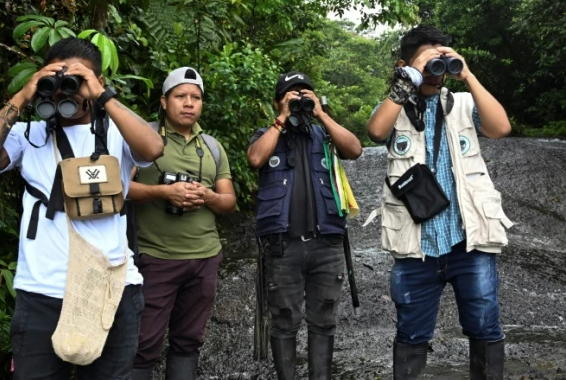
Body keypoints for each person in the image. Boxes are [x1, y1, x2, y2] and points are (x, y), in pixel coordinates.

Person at [0, 37, 164, 379]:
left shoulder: (117, 133)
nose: (63, 91)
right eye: (56, 81)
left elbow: (153, 147)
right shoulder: (30, 135)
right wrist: (23, 95)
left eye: (76, 81)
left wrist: (100, 93)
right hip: (42, 291)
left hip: (112, 289)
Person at [365, 25, 513, 379]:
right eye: (427, 60)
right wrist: (406, 82)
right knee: (412, 333)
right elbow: (375, 131)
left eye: (442, 59)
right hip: (417, 247)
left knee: (484, 327)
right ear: (405, 65)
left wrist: (468, 75)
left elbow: (500, 128)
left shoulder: (462, 103)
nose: (436, 69)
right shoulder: (394, 108)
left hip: (469, 243)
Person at [247, 72, 362, 380]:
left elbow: (354, 149)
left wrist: (321, 114)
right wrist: (283, 118)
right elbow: (255, 159)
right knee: (284, 319)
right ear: (277, 101)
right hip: (283, 245)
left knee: (324, 318)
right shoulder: (266, 134)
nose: (299, 99)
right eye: (292, 95)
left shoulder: (323, 135)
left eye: (305, 94)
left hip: (327, 244)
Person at [129, 67, 236, 380]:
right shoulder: (142, 137)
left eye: (196, 97)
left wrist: (206, 196)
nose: (189, 103)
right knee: (142, 343)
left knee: (188, 342)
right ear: (164, 101)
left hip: (204, 257)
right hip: (155, 258)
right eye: (180, 96)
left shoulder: (213, 147)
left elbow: (229, 202)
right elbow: (118, 189)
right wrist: (164, 192)